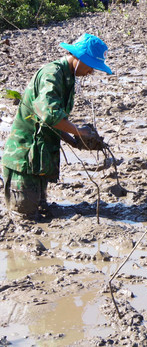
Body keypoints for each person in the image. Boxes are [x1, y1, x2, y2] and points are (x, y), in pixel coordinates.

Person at [2, 34, 111, 221]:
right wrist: (79, 131)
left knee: (40, 209)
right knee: (24, 216)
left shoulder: (68, 77)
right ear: (79, 58)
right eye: (91, 66)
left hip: (39, 158)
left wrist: (74, 141)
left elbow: (52, 124)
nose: (91, 72)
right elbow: (50, 115)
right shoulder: (52, 74)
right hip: (24, 156)